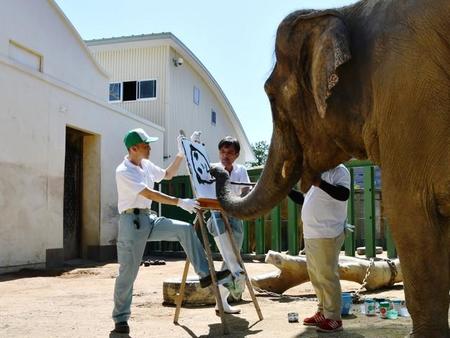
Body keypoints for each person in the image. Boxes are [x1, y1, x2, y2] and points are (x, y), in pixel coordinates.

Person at [111, 128, 230, 335]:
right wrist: (179, 202)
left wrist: (181, 154)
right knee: (128, 274)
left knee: (184, 229)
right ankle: (121, 319)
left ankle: (204, 274)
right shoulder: (123, 171)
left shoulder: (146, 165)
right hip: (131, 222)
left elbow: (167, 175)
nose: (150, 148)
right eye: (146, 145)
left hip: (149, 218)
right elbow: (149, 192)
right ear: (133, 148)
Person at [288, 164, 350, 333]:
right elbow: (304, 199)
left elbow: (344, 194)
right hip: (311, 233)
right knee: (316, 275)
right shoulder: (317, 171)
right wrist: (286, 190)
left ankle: (334, 318)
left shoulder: (339, 170)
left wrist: (319, 183)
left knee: (327, 275)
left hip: (327, 232)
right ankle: (323, 311)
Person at [206, 135, 251, 314]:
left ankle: (222, 301)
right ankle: (238, 273)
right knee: (227, 251)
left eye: (230, 153)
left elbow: (246, 188)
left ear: (236, 155)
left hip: (235, 214)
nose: (225, 155)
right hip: (217, 214)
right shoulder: (212, 169)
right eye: (223, 152)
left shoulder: (241, 170)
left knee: (231, 256)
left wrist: (243, 199)